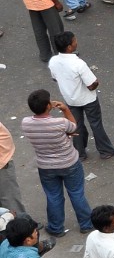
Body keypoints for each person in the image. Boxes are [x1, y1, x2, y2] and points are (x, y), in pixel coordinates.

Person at [21, 89, 93, 237]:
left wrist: (64, 133)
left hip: (45, 166)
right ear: (49, 105)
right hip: (69, 163)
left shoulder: (26, 123)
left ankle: (56, 227)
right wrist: (65, 109)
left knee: (53, 196)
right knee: (76, 193)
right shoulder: (60, 123)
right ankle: (86, 224)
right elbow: (73, 126)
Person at [47, 31, 114, 161]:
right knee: (96, 124)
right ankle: (106, 150)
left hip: (70, 99)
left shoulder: (53, 61)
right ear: (69, 47)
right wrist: (97, 82)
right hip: (87, 99)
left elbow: (55, 78)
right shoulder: (78, 63)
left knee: (76, 125)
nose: (76, 42)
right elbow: (91, 85)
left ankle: (79, 153)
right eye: (74, 40)